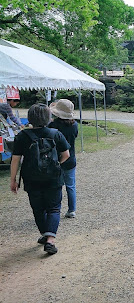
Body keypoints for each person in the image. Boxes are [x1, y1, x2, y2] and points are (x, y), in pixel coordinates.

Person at [10, 103, 70, 255]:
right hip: (53, 179)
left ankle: (45, 233)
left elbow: (16, 159)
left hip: (31, 179)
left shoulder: (22, 136)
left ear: (30, 118)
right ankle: (50, 240)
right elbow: (66, 155)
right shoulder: (56, 134)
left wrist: (13, 179)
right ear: (48, 117)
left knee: (38, 209)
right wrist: (56, 164)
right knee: (54, 208)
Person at [48, 99, 78, 219]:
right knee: (71, 186)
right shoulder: (74, 125)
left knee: (57, 186)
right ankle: (72, 210)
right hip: (71, 158)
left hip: (56, 159)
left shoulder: (53, 125)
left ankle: (55, 209)